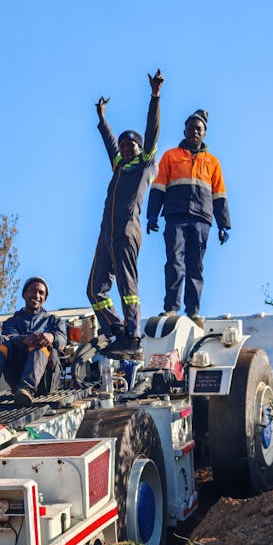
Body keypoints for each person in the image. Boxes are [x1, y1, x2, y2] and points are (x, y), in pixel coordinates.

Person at [86, 69, 164, 359]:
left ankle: (134, 338)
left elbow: (153, 130)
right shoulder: (119, 167)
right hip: (106, 234)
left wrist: (155, 96)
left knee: (127, 288)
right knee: (94, 290)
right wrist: (102, 119)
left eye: (130, 143)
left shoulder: (145, 166)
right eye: (122, 144)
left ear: (141, 148)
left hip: (127, 231)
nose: (125, 147)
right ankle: (117, 331)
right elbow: (109, 144)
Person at [146, 109, 231, 326]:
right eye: (191, 127)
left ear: (204, 134)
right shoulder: (170, 156)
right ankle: (171, 308)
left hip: (202, 219)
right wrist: (152, 215)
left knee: (196, 265)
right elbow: (158, 187)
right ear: (184, 130)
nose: (194, 131)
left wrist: (224, 224)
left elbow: (219, 194)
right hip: (175, 216)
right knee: (175, 262)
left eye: (199, 128)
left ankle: (193, 312)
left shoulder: (212, 162)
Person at [0, 277, 67, 409]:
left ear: (45, 299)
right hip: (17, 380)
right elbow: (9, 336)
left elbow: (63, 339)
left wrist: (52, 337)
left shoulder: (54, 321)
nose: (36, 295)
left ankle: (27, 390)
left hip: (45, 381)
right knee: (0, 341)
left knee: (41, 344)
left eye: (41, 293)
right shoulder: (11, 322)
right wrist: (24, 340)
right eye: (32, 291)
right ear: (24, 294)